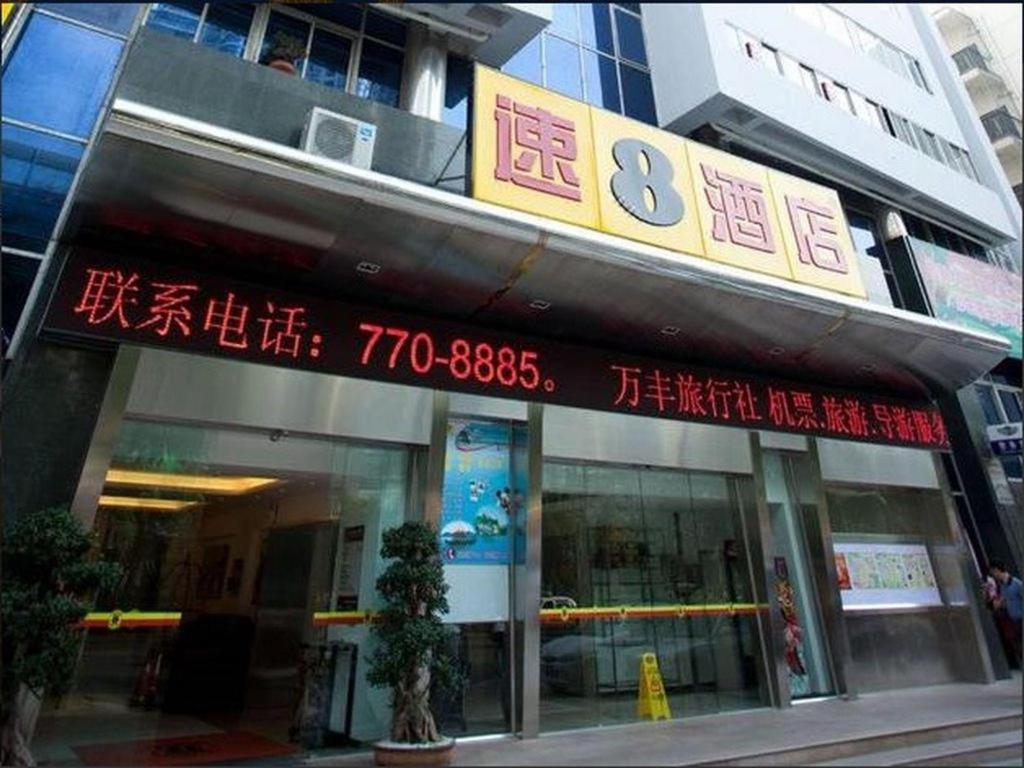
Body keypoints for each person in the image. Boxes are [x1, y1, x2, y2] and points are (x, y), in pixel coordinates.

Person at [989, 560, 1023, 668]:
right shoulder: (1002, 586)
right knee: (1018, 648)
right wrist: (999, 603)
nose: (993, 575)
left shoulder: (1017, 584)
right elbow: (1005, 602)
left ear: (997, 570)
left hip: (1021, 619)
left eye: (993, 572)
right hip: (1013, 621)